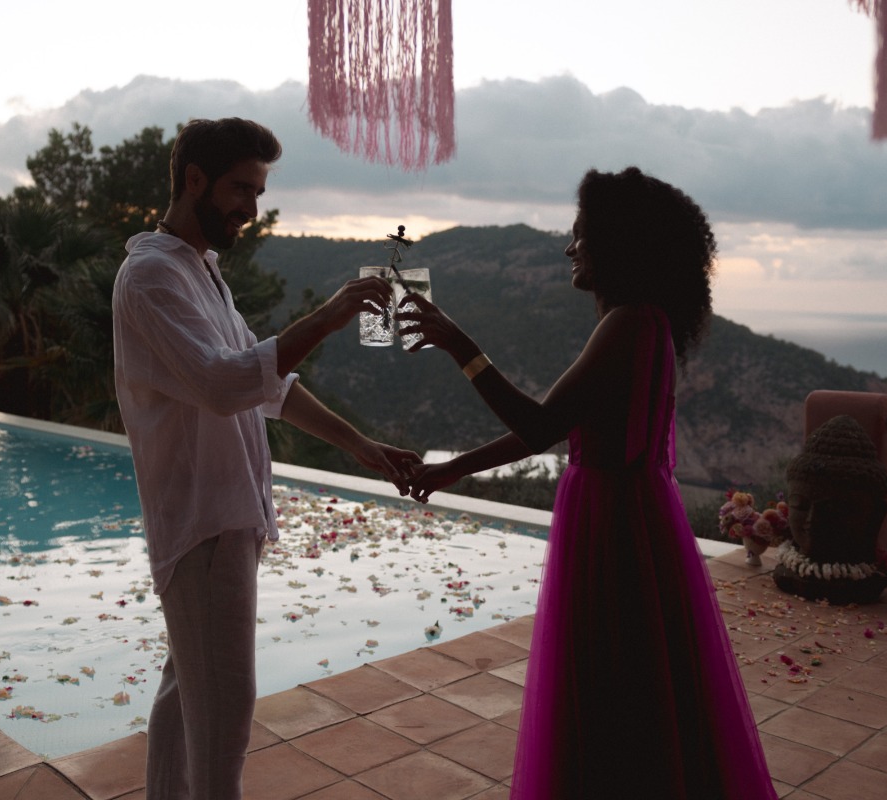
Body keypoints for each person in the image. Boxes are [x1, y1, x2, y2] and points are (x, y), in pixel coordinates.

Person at [398, 167, 776, 798]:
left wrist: (457, 344)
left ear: (619, 244)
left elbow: (540, 424)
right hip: (626, 516)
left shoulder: (629, 322)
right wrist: (451, 469)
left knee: (610, 687)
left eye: (581, 236)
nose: (570, 249)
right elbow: (562, 427)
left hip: (614, 529)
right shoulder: (643, 322)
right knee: (639, 687)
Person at [112, 117, 420, 799]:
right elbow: (225, 387)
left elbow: (267, 386)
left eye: (256, 192)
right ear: (193, 180)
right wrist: (330, 315)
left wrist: (364, 449)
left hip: (224, 523)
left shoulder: (200, 271)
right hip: (205, 525)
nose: (250, 209)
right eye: (239, 190)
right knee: (222, 727)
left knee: (185, 703)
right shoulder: (152, 277)